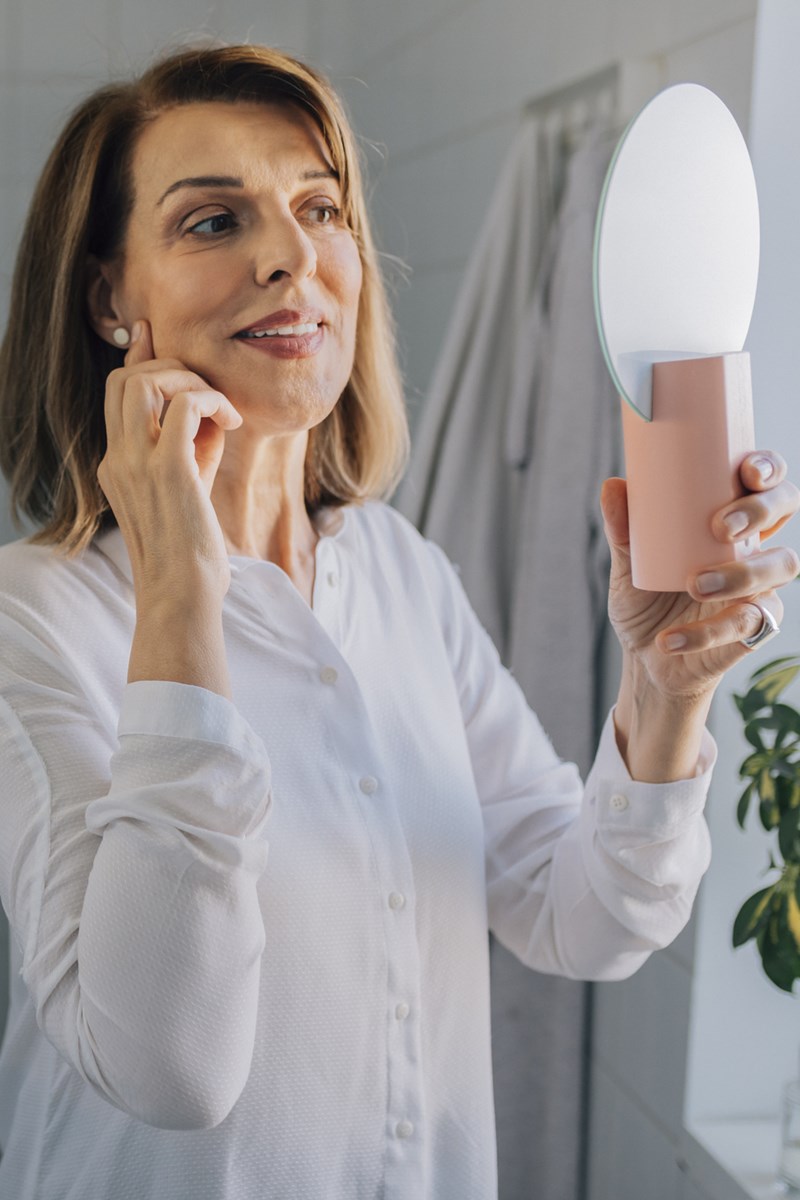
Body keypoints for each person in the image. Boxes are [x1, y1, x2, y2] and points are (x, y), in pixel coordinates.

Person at [0, 42, 796, 1200]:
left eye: (318, 207)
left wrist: (663, 690)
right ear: (108, 296)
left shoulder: (399, 573)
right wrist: (179, 587)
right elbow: (169, 1067)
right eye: (212, 222)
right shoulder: (38, 617)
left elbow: (584, 918)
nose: (289, 256)